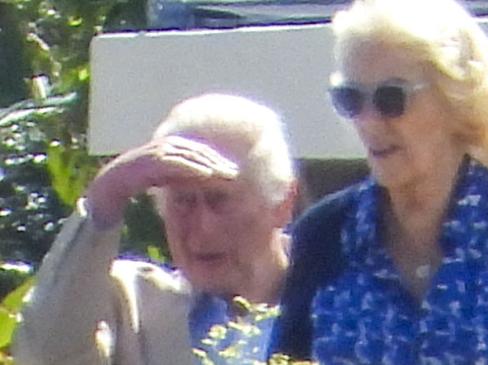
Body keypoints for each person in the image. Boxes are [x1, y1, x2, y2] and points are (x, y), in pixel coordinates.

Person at [271, 0, 488, 364]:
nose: (368, 121)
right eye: (351, 99)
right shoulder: (324, 234)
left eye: (392, 98)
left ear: (457, 98)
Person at [13, 93, 296, 365]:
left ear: (282, 203)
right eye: (183, 202)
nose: (203, 227)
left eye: (219, 200)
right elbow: (44, 357)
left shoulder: (332, 301)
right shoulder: (132, 305)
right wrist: (107, 194)